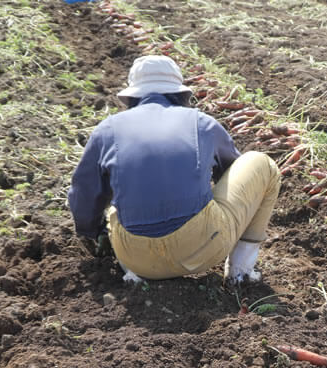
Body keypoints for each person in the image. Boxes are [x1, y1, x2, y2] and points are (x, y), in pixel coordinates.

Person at [68, 55, 279, 284]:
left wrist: (93, 233)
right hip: (203, 249)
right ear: (181, 95)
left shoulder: (107, 130)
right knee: (261, 163)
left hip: (135, 258)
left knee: (115, 210)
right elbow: (231, 174)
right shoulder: (201, 122)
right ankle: (242, 272)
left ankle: (132, 275)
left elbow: (83, 194)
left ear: (131, 98)